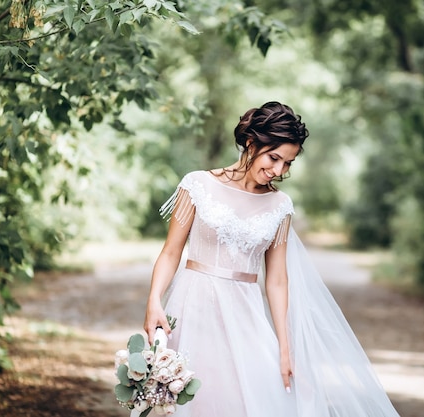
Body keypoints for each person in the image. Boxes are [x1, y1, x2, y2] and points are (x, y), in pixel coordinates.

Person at [143, 101, 401, 417]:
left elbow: (277, 280)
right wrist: (154, 299)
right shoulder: (197, 184)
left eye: (288, 164)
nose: (278, 171)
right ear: (251, 143)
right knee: (188, 399)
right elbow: (171, 252)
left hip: (245, 314)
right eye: (274, 157)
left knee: (244, 401)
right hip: (192, 305)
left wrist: (285, 346)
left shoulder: (280, 206)